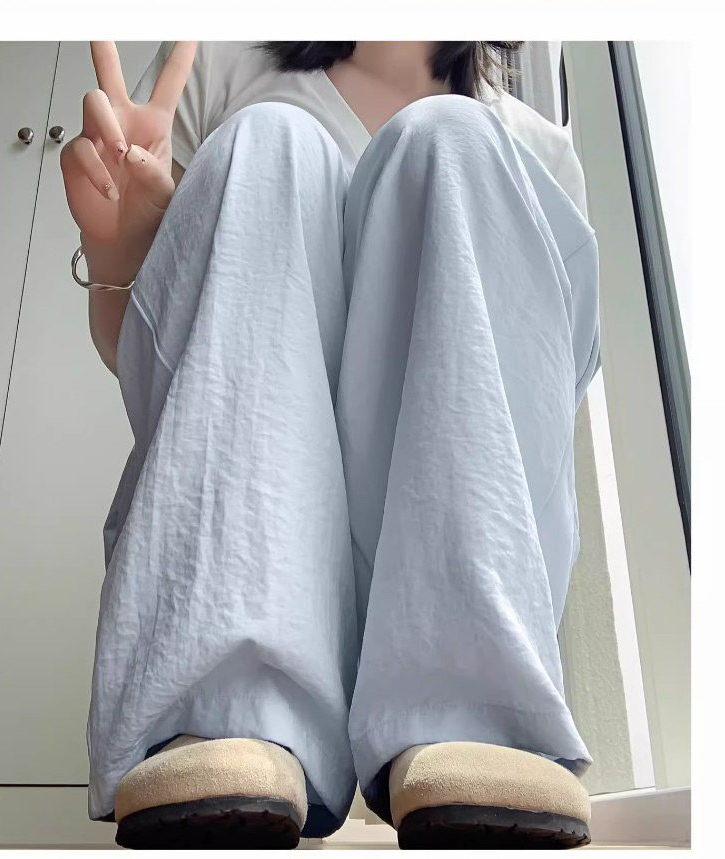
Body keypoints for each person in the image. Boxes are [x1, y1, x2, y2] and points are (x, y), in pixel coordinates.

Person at [61, 41, 601, 849]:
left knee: (454, 143)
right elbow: (156, 376)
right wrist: (127, 255)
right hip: (251, 533)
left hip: (440, 538)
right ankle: (230, 708)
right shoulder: (222, 74)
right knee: (270, 140)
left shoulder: (534, 148)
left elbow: (534, 416)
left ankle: (473, 708)